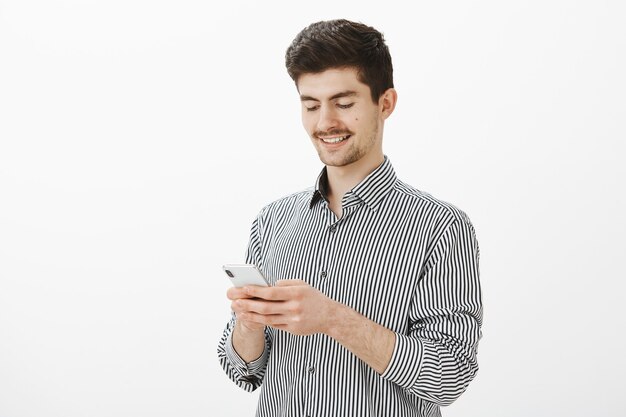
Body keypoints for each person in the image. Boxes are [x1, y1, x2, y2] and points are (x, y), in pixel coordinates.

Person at [217, 19, 483, 417]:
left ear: (385, 103)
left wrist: (333, 318)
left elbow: (451, 375)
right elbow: (245, 372)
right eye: (310, 105)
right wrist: (250, 324)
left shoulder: (441, 228)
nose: (325, 123)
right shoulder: (271, 221)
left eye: (343, 103)